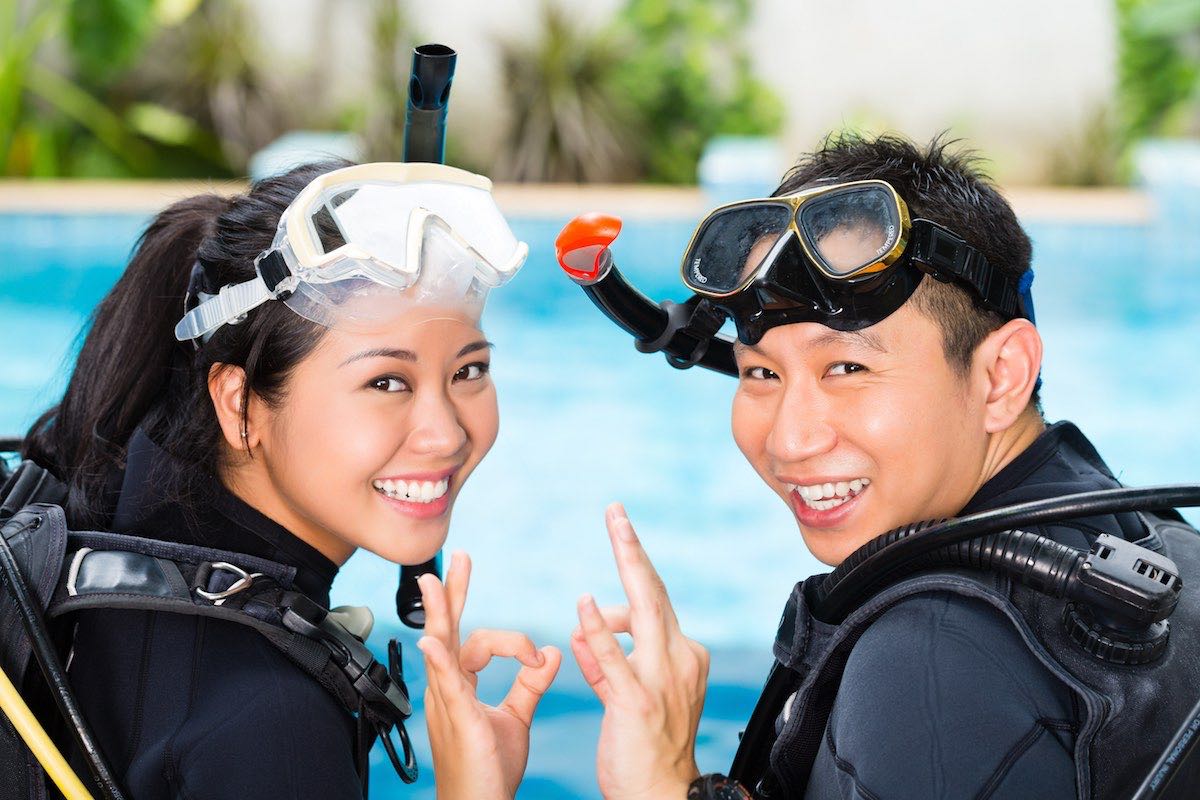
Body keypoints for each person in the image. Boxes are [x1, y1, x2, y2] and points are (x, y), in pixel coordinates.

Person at [555, 133, 1200, 799]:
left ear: (1002, 376)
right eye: (761, 373)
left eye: (847, 367)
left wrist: (661, 785)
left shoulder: (931, 662)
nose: (789, 439)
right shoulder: (1142, 533)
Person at [19, 160, 561, 799]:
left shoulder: (102, 513)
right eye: (386, 381)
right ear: (238, 404)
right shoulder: (271, 731)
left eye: (469, 371)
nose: (445, 434)